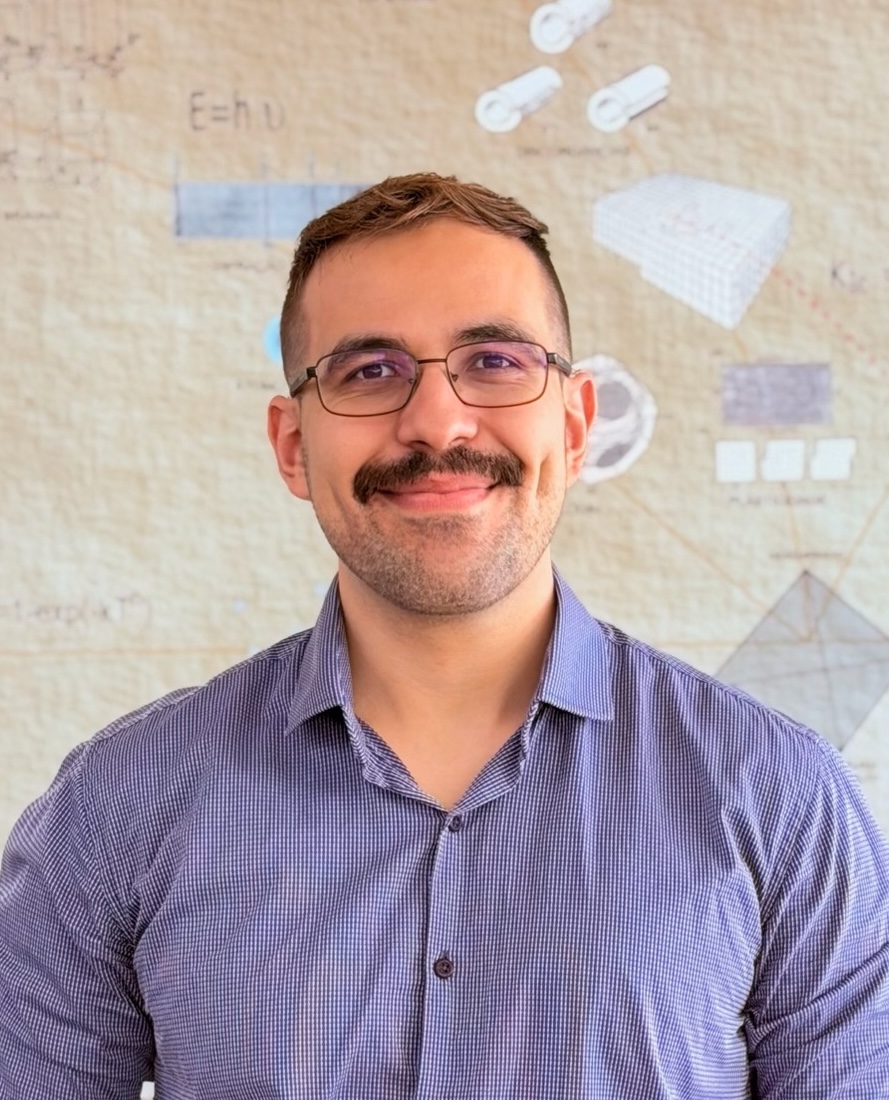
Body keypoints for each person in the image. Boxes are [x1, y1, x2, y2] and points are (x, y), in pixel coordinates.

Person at [1, 173, 887, 1100]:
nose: (435, 422)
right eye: (369, 372)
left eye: (494, 361)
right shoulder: (118, 805)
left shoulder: (780, 798)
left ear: (575, 426)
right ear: (293, 446)